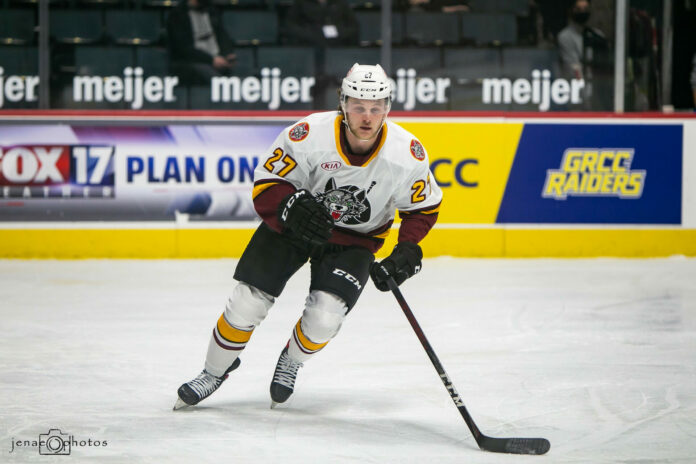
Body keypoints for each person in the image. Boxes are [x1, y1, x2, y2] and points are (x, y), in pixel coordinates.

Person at [174, 63, 443, 410]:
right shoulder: (309, 134)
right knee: (246, 303)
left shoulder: (405, 154)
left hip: (355, 241)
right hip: (295, 227)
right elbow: (268, 182)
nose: (367, 116)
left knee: (324, 320)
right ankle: (213, 372)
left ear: (387, 108)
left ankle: (291, 359)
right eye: (358, 106)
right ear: (343, 103)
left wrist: (407, 248)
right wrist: (289, 204)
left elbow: (423, 208)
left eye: (376, 108)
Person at [166, 0, 237, 85]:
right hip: (191, 62)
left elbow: (222, 34)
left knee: (238, 73)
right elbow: (183, 48)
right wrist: (211, 60)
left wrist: (228, 52)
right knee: (216, 80)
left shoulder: (211, 10)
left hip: (217, 58)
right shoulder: (178, 14)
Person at [557, 0, 609, 109]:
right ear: (571, 10)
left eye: (585, 9)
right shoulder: (565, 36)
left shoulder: (597, 35)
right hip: (574, 92)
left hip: (598, 89)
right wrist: (585, 97)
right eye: (578, 9)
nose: (582, 12)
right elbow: (574, 68)